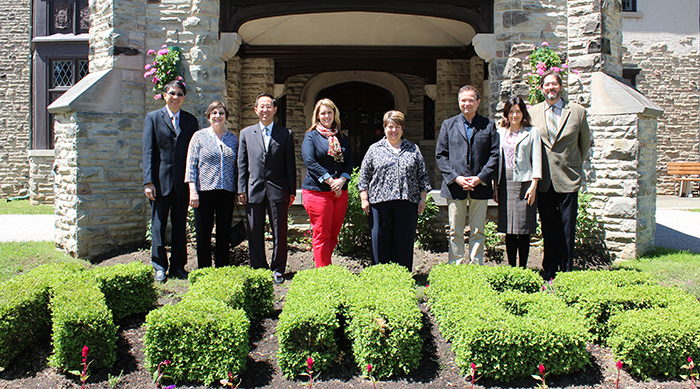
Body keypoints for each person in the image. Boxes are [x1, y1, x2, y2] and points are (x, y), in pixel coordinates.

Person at [529, 70, 591, 280]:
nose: (550, 88)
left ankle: (566, 270)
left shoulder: (577, 111)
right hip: (544, 180)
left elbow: (584, 144)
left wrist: (573, 165)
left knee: (567, 227)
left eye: (554, 84)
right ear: (541, 88)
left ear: (561, 87)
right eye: (546, 85)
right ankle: (549, 268)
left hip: (568, 178)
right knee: (547, 226)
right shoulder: (534, 112)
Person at [358, 110, 431, 271]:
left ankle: (403, 278)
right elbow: (364, 177)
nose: (394, 130)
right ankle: (381, 278)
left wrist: (423, 198)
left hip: (407, 203)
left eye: (397, 126)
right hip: (379, 204)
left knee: (403, 243)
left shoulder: (413, 149)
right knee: (380, 242)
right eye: (390, 126)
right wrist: (364, 199)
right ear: (384, 128)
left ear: (402, 128)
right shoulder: (374, 149)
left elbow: (422, 176)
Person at [435, 85, 499, 265]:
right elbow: (441, 155)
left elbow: (494, 155)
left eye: (471, 100)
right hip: (456, 185)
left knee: (478, 229)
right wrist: (456, 178)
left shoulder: (488, 125)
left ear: (478, 102)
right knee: (455, 229)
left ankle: (475, 266)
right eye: (463, 100)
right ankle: (456, 265)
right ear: (458, 103)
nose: (467, 103)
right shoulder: (448, 125)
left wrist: (480, 178)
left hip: (480, 185)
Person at [142, 80, 199, 282]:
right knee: (158, 225)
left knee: (179, 226)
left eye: (180, 94)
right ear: (165, 95)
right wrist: (148, 182)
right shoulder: (153, 118)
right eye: (172, 93)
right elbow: (148, 151)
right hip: (159, 183)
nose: (176, 97)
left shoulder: (191, 121)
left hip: (182, 184)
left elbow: (194, 154)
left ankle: (178, 266)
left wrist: (193, 183)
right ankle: (159, 265)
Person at [238, 93, 297, 284]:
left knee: (279, 231)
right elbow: (242, 164)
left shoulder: (285, 134)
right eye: (261, 107)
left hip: (278, 189)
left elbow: (290, 165)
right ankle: (258, 267)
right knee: (254, 231)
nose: (265, 110)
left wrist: (292, 191)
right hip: (253, 189)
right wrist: (241, 188)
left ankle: (278, 269)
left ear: (275, 109)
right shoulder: (246, 133)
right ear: (256, 110)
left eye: (268, 106)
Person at [301, 99, 354, 268]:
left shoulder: (342, 137)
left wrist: (342, 180)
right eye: (322, 113)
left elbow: (349, 161)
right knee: (322, 234)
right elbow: (310, 162)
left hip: (339, 192)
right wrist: (330, 181)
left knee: (333, 234)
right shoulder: (311, 135)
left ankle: (322, 264)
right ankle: (323, 273)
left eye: (329, 112)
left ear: (334, 114)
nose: (326, 116)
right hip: (317, 192)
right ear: (317, 115)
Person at [185, 101, 238, 269]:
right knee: (203, 233)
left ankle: (222, 268)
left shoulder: (232, 138)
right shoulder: (199, 136)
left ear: (226, 117)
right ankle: (204, 270)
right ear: (209, 116)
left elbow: (237, 166)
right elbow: (191, 165)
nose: (218, 116)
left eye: (221, 113)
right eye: (214, 113)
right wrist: (192, 191)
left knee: (223, 233)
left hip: (226, 192)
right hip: (204, 191)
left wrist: (236, 191)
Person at [494, 96, 542, 268]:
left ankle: (523, 267)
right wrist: (495, 186)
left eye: (518, 112)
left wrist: (534, 185)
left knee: (523, 227)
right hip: (505, 182)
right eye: (511, 112)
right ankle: (512, 266)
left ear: (523, 113)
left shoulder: (532, 132)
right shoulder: (499, 133)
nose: (514, 115)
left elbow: (537, 159)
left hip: (524, 182)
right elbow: (495, 161)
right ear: (506, 114)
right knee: (509, 228)